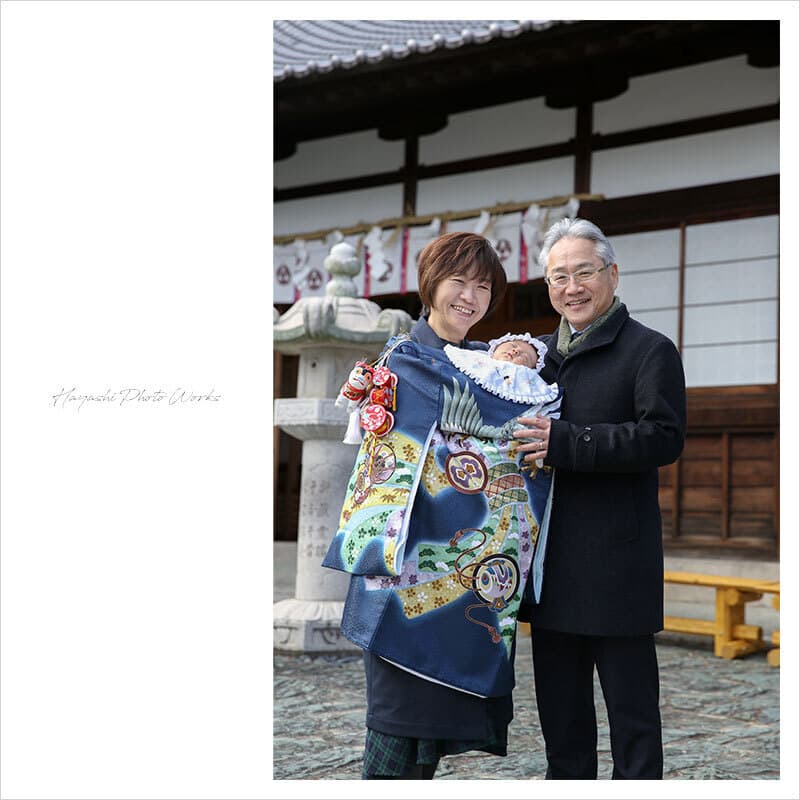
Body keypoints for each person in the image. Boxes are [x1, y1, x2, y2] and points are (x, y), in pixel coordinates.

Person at [328, 232, 532, 780]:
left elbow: (514, 437)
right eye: (458, 281)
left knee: (430, 747)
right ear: (430, 285)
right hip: (405, 572)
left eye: (484, 286)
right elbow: (386, 468)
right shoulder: (407, 361)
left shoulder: (488, 372)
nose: (470, 296)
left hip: (462, 573)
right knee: (394, 737)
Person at [513, 217, 687, 780]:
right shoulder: (535, 357)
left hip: (619, 565)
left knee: (633, 720)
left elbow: (663, 437)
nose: (572, 287)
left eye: (584, 272)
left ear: (611, 273)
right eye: (559, 277)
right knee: (561, 722)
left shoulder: (649, 350)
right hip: (550, 563)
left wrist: (565, 442)